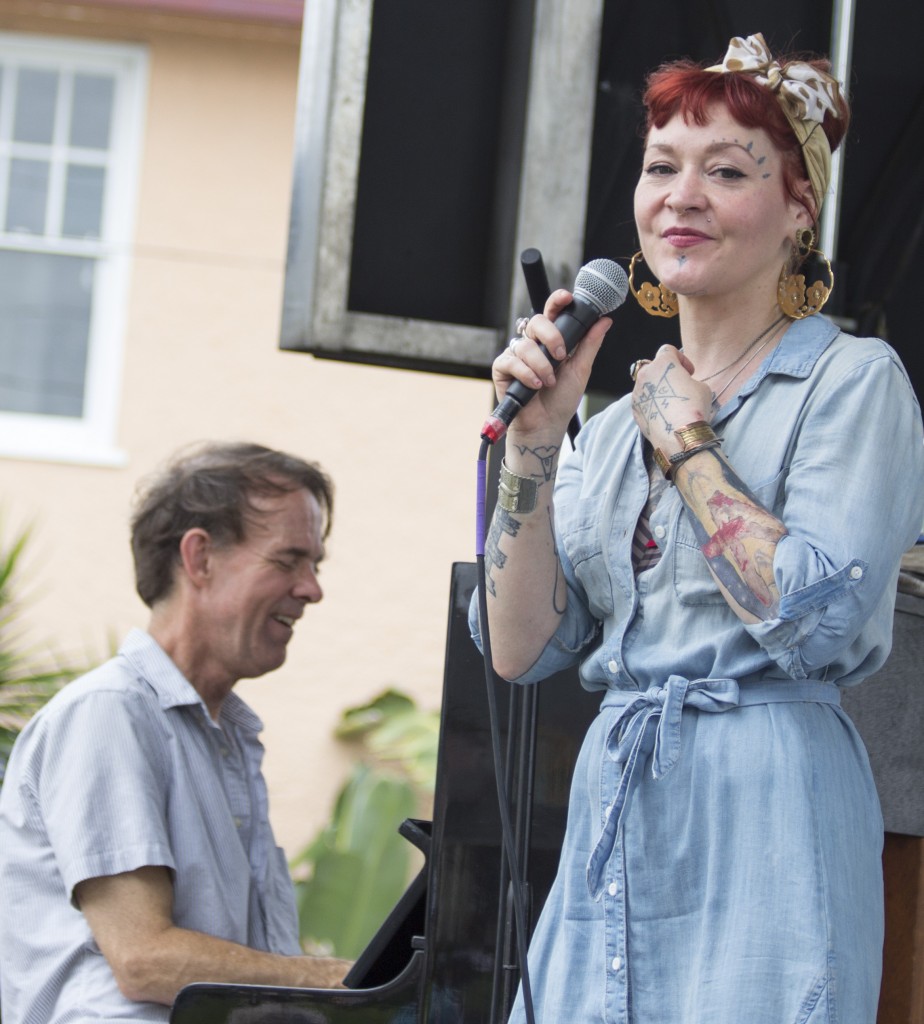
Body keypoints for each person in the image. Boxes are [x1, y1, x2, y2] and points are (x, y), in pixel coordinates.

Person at [474, 32, 924, 1023]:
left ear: (798, 208)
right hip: (621, 793)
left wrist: (690, 447)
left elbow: (814, 617)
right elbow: (518, 650)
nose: (681, 195)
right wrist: (535, 450)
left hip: (767, 792)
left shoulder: (851, 383)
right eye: (661, 167)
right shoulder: (605, 421)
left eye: (726, 170)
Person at [0, 442, 351, 1023]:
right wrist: (332, 979)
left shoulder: (225, 737)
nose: (312, 588)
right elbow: (145, 959)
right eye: (288, 560)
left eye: (314, 564)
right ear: (200, 558)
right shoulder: (110, 713)